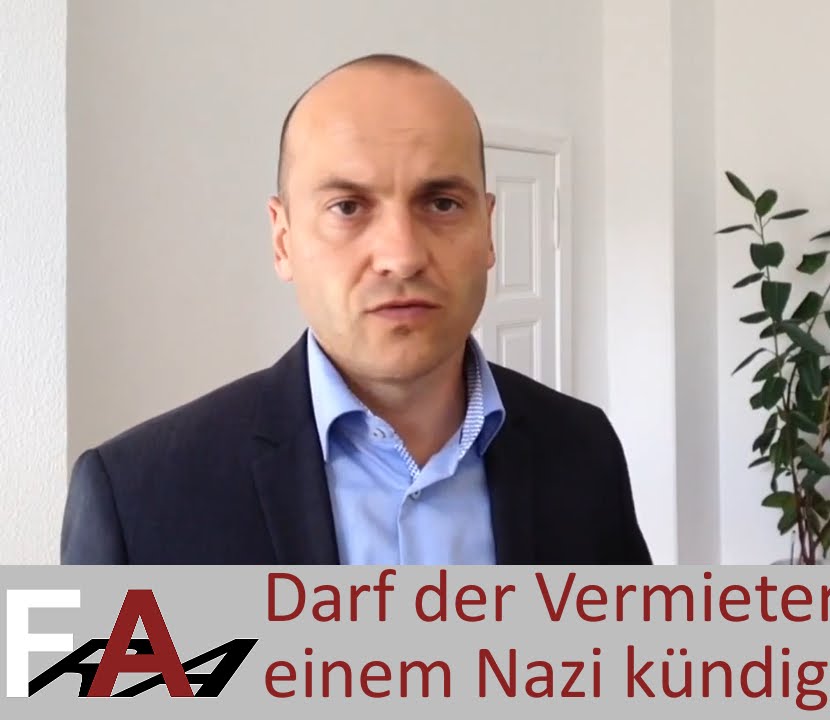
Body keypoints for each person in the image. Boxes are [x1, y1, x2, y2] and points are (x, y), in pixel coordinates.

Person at [61, 54, 651, 565]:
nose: (402, 256)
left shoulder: (584, 448)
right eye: (348, 207)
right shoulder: (134, 498)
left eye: (442, 203)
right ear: (283, 240)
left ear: (488, 230)